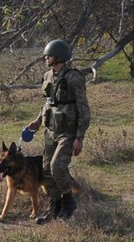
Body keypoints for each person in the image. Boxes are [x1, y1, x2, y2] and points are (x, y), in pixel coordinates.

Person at [26, 39, 91, 224]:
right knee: (46, 170)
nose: (46, 58)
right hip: (50, 130)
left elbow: (84, 109)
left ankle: (68, 203)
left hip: (68, 132)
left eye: (50, 55)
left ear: (60, 57)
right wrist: (38, 120)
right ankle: (55, 208)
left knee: (57, 167)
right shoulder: (48, 76)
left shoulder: (74, 78)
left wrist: (80, 137)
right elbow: (49, 102)